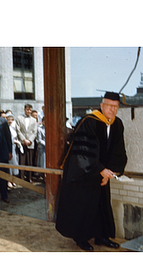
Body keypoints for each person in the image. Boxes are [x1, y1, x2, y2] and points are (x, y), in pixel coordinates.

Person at [56, 91, 127, 251]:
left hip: (102, 174)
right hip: (83, 173)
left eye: (116, 107)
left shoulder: (117, 124)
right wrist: (99, 169)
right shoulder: (89, 122)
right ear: (102, 106)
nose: (112, 110)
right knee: (84, 206)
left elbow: (117, 150)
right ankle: (81, 239)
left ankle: (102, 237)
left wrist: (110, 172)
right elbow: (82, 152)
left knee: (101, 205)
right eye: (109, 106)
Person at [15, 104, 38, 183]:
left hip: (30, 143)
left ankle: (29, 177)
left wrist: (30, 140)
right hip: (22, 142)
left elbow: (35, 132)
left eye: (30, 110)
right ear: (24, 109)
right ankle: (21, 177)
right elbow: (18, 130)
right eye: (27, 109)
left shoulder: (34, 120)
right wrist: (23, 139)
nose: (29, 111)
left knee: (30, 161)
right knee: (22, 161)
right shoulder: (19, 118)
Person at [6, 113, 22, 188]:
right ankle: (8, 180)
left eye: (11, 119)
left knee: (14, 163)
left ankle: (13, 179)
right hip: (9, 147)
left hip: (15, 147)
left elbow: (16, 136)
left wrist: (17, 142)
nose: (10, 121)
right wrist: (14, 141)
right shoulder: (5, 128)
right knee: (9, 164)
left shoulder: (13, 128)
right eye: (8, 119)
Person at [36, 116, 46, 182]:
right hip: (43, 147)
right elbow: (39, 140)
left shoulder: (51, 128)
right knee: (43, 162)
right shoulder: (40, 129)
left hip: (50, 148)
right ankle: (44, 175)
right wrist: (46, 144)